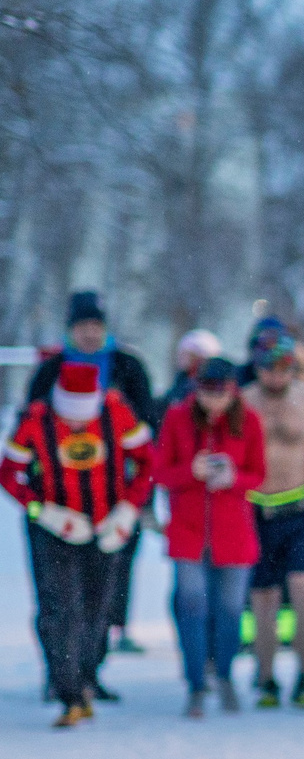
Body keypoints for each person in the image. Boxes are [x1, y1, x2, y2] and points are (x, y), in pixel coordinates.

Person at [4, 360, 153, 725]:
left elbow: (149, 464)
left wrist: (128, 510)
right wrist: (43, 511)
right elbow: (9, 474)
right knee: (59, 606)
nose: (75, 425)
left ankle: (87, 676)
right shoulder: (36, 419)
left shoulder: (117, 412)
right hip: (54, 531)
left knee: (98, 606)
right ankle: (65, 686)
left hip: (105, 527)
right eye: (69, 417)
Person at [30, 292, 160, 672]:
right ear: (71, 329)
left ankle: (89, 670)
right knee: (56, 597)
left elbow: (149, 431)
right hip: (57, 502)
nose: (90, 333)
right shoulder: (51, 369)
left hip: (115, 499)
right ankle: (61, 672)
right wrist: (40, 502)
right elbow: (31, 427)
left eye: (96, 326)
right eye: (83, 326)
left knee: (104, 592)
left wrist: (137, 501)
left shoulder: (126, 367)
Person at [154, 358, 265, 717]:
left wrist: (233, 477)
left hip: (233, 530)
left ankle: (226, 674)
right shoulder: (177, 418)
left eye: (220, 393)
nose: (213, 402)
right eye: (207, 392)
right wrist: (191, 471)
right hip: (189, 529)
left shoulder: (248, 421)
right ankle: (196, 681)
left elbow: (258, 474)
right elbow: (160, 472)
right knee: (191, 606)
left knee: (230, 609)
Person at [243, 332, 304, 709]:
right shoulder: (244, 401)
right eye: (269, 370)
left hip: (298, 509)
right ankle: (266, 677)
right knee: (264, 602)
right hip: (257, 509)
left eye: (283, 370)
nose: (276, 378)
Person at [163, 328, 221, 412]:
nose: (183, 358)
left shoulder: (206, 386)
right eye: (182, 353)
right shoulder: (181, 380)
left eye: (189, 355)